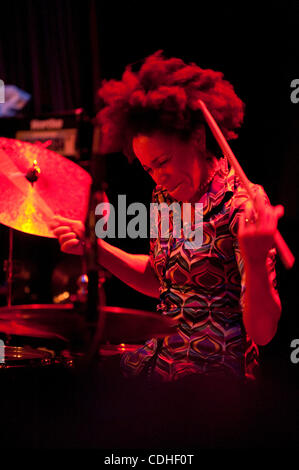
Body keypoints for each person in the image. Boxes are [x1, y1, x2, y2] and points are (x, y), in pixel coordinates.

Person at [51, 50, 283, 383]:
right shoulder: (166, 195)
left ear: (198, 139)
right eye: (148, 168)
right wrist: (96, 249)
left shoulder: (242, 204)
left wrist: (257, 260)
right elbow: (165, 281)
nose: (157, 178)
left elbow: (262, 332)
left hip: (214, 384)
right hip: (160, 364)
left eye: (162, 162)